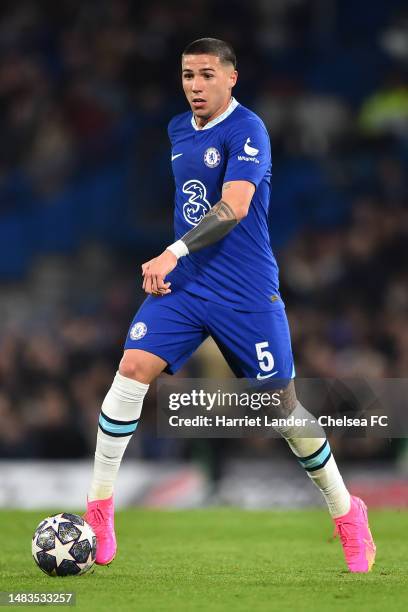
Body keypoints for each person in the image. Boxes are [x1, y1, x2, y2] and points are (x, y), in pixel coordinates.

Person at [84, 38, 376, 573]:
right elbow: (187, 202)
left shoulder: (249, 130)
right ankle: (99, 510)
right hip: (188, 288)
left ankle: (346, 511)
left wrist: (170, 251)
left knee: (280, 408)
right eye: (187, 75)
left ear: (231, 78)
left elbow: (234, 207)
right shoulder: (176, 130)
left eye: (206, 75)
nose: (195, 85)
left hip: (245, 291)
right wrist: (178, 262)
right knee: (131, 370)